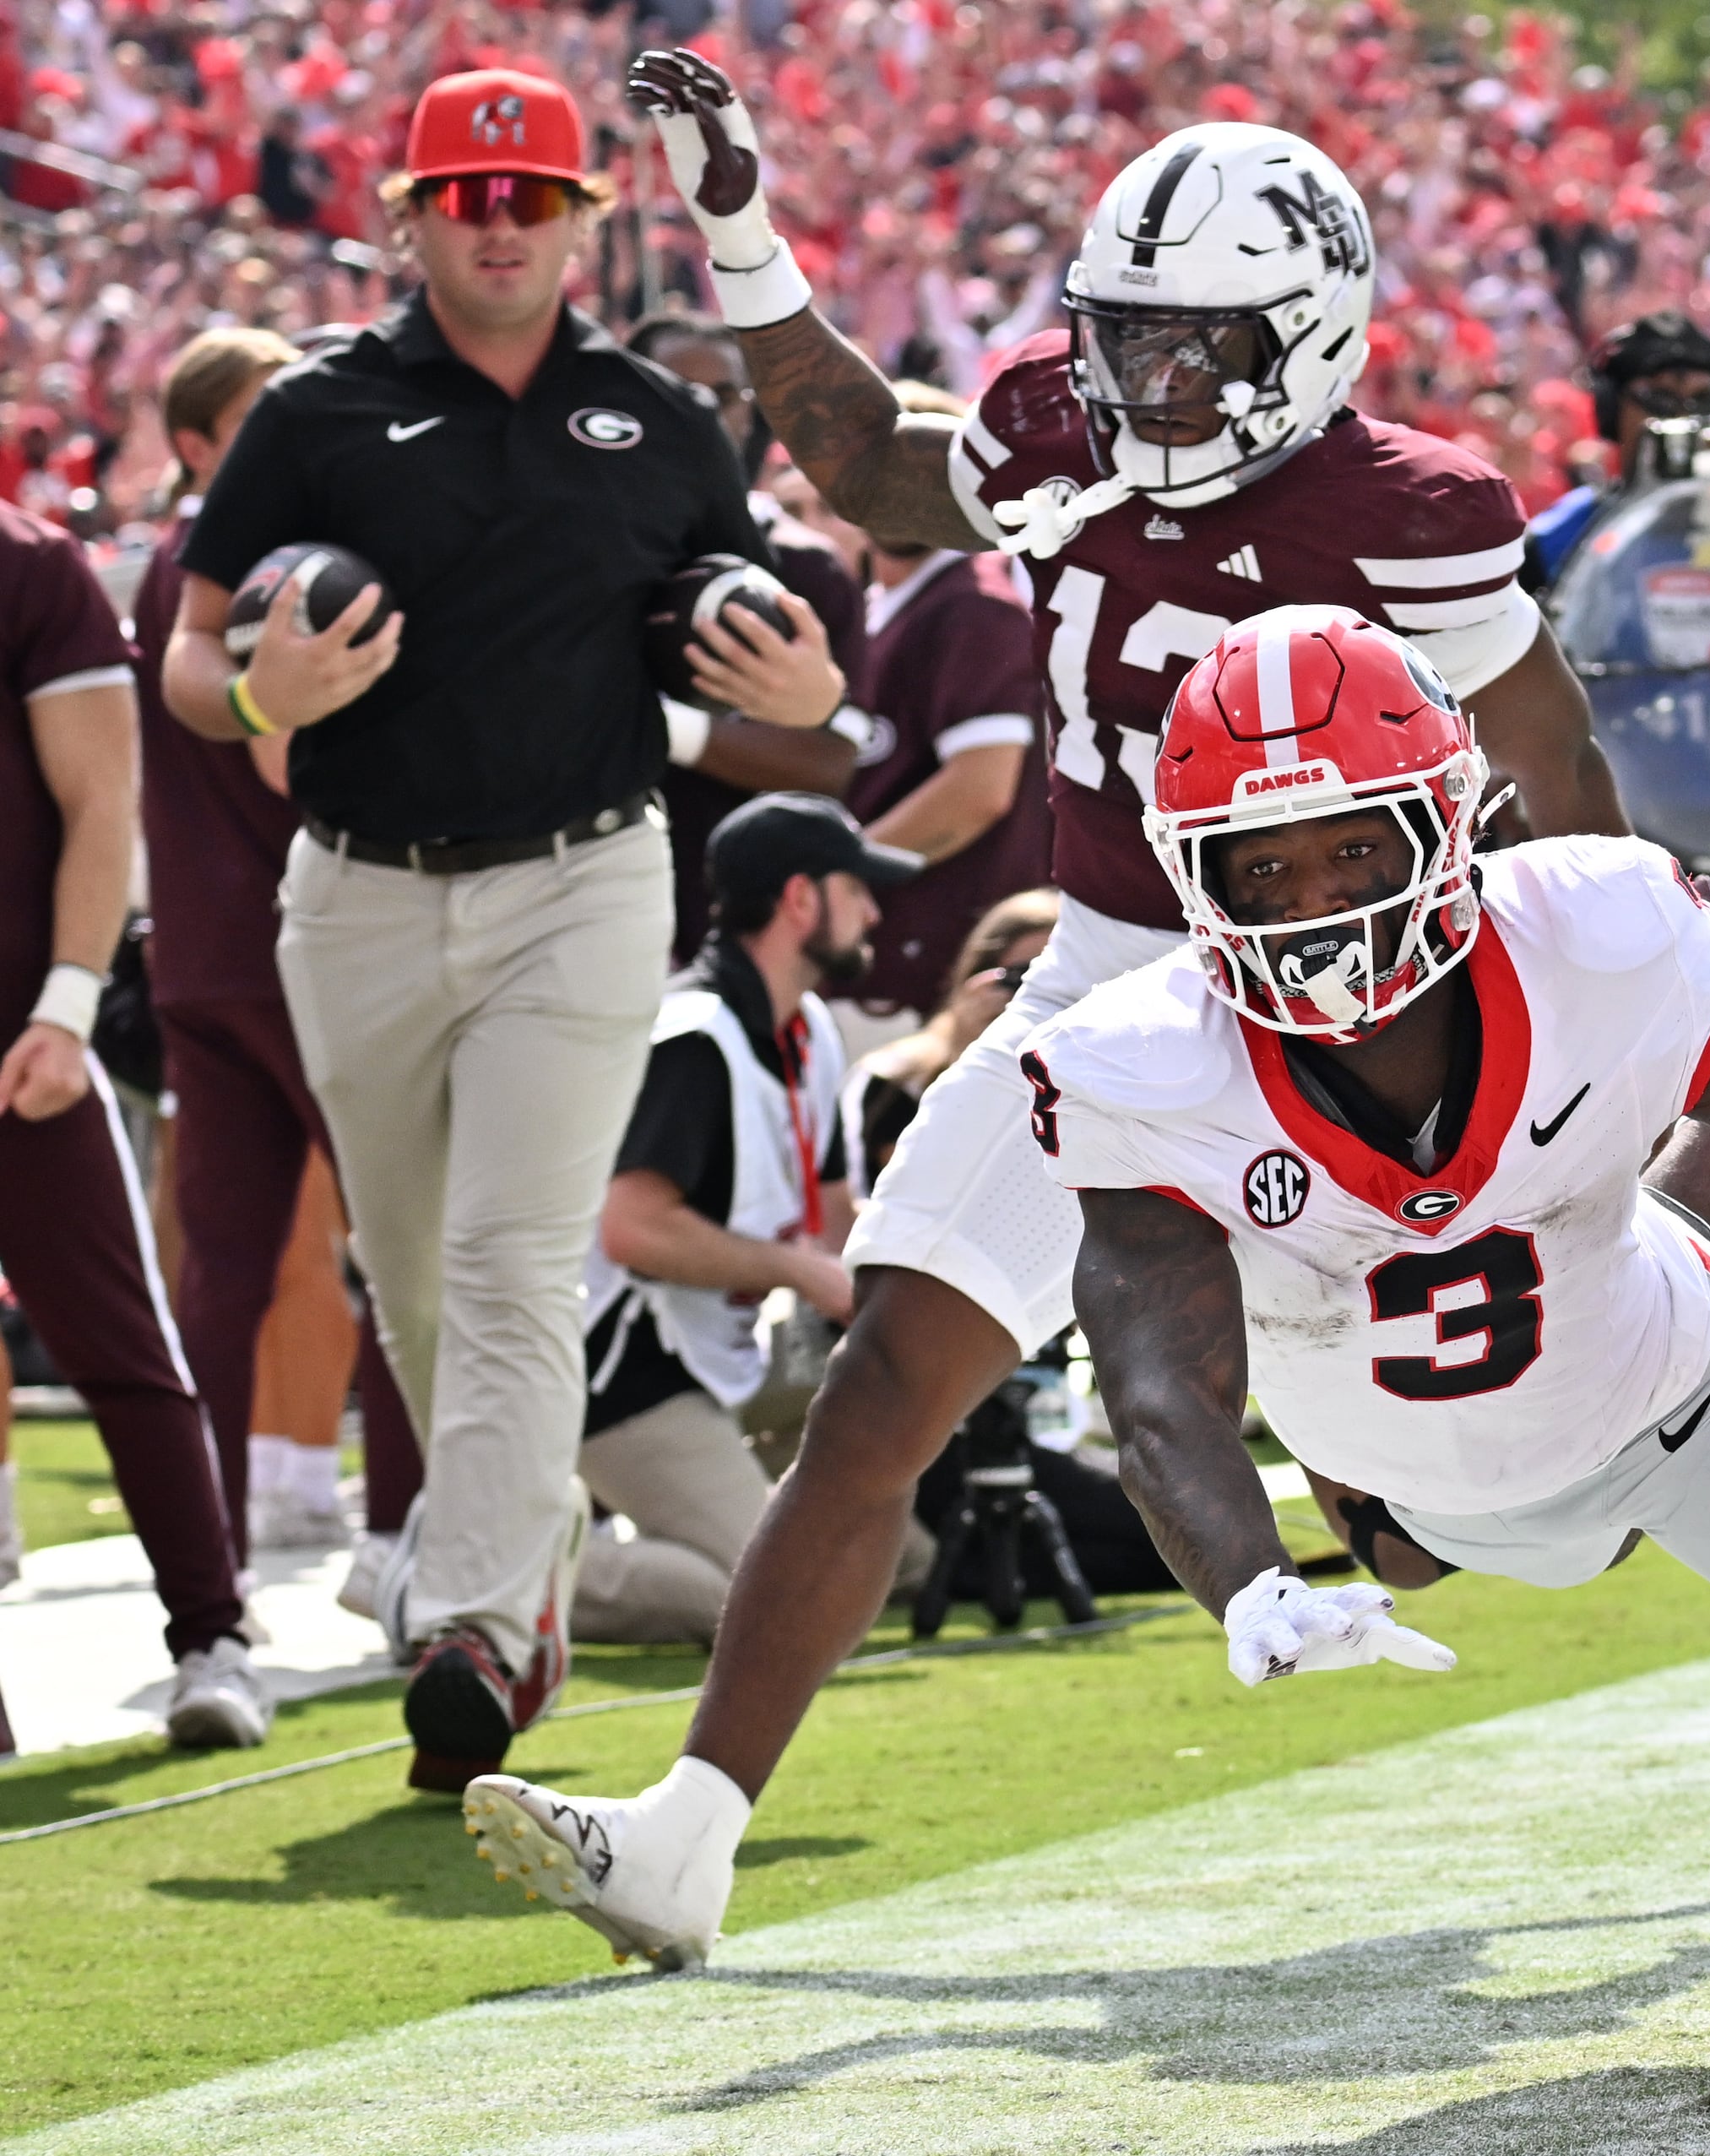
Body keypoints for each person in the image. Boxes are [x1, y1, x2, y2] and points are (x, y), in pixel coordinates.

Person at [468, 607, 1710, 1972]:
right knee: (1292, 1488)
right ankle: (722, 1810)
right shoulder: (1143, 1056)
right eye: (1260, 864)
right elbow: (1157, 1374)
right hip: (1396, 1468)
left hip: (1673, 1392)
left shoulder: (1592, 923)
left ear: (1449, 819)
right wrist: (1240, 1581)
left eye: (1352, 844)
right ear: (1190, 877)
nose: (1316, 901)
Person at [599, 58, 1630, 1835]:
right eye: (1126, 336)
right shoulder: (1053, 436)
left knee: (1446, 1458)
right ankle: (687, 1828)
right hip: (1108, 974)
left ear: (1308, 338)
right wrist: (739, 225)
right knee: (887, 1381)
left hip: (1356, 994)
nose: (1146, 382)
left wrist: (1642, 979)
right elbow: (860, 453)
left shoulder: (1409, 510)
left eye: (1198, 346)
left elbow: (1558, 765)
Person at [159, 68, 814, 1789]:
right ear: (410, 216)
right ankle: (527, 1562)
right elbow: (186, 665)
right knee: (414, 1281)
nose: (503, 225)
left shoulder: (660, 420)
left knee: (513, 1260)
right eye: (471, 197)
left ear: (590, 216)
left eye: (535, 200)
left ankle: (475, 1629)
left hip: (586, 879)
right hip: (360, 881)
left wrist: (808, 683)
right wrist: (257, 688)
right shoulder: (311, 411)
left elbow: (754, 656)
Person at [130, 328, 421, 1567]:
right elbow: (280, 756)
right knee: (398, 1242)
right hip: (304, 945)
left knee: (224, 1262)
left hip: (196, 952)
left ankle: (209, 1552)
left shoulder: (166, 568)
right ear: (202, 440)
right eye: (264, 411)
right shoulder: (269, 559)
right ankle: (405, 1532)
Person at [1, 497, 266, 1747]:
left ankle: (213, 1633)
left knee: (117, 1339)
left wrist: (63, 1002)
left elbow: (105, 798)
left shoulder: (31, 564)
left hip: (20, 1040)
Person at [575, 796, 907, 1643]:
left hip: (723, 1357)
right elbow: (632, 1229)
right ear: (801, 899)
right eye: (858, 888)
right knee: (773, 1593)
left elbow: (838, 1225)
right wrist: (795, 1270)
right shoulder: (693, 1034)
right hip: (620, 1374)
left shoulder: (810, 1029)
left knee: (895, 1558)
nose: (874, 909)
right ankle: (448, 1573)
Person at [622, 308, 870, 968]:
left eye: (725, 395)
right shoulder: (573, 550)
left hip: (735, 935)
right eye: (674, 387)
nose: (702, 410)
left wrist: (653, 725)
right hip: (580, 905)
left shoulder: (805, 569)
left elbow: (826, 762)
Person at [835, 383, 1048, 1033]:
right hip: (877, 951)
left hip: (922, 965)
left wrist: (835, 872)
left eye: (922, 470)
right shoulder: (879, 601)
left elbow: (979, 790)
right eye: (879, 464)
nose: (898, 487)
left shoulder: (974, 606)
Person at [847, 889, 1060, 1195]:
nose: (1044, 995)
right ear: (977, 978)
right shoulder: (897, 1079)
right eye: (1022, 976)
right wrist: (967, 1062)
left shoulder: (1098, 1076)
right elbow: (908, 1197)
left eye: (1056, 978)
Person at [1523, 312, 1710, 593]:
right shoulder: (1561, 535)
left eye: (1706, 401)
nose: (1683, 416)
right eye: (1658, 398)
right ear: (1611, 412)